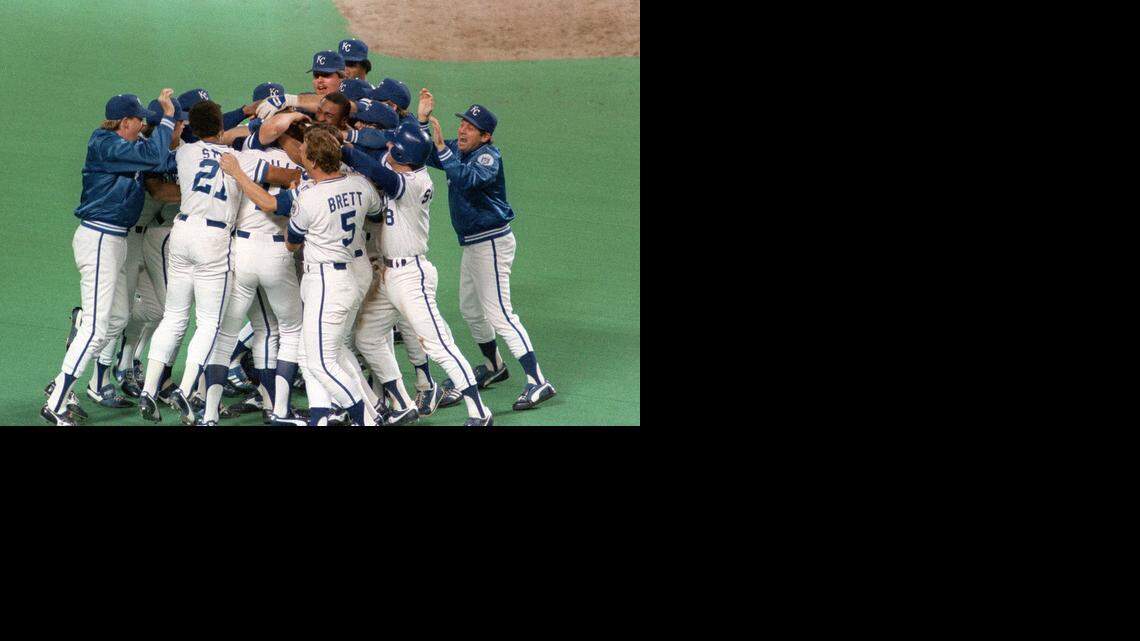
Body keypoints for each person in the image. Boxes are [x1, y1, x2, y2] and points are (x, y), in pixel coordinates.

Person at [137, 100, 295, 425]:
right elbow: (286, 174)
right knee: (209, 322)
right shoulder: (239, 158)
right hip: (214, 241)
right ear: (221, 129)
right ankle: (184, 387)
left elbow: (159, 159)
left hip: (181, 231)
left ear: (192, 127)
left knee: (174, 317)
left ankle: (149, 390)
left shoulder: (184, 151)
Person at [344, 121, 493, 426]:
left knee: (439, 344)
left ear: (403, 153)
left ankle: (480, 411)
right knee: (368, 337)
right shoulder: (405, 168)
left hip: (412, 276)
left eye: (393, 145)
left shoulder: (413, 182)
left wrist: (344, 149)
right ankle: (401, 402)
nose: (388, 147)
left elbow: (379, 173)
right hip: (387, 275)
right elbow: (378, 154)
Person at [42, 89, 177, 425]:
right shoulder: (104, 143)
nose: (142, 125)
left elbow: (157, 156)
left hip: (113, 240)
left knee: (115, 318)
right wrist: (167, 118)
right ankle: (57, 402)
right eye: (139, 120)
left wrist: (164, 119)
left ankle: (62, 384)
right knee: (97, 329)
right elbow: (152, 156)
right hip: (99, 237)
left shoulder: (124, 145)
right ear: (125, 121)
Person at [231, 127, 382, 426]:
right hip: (353, 274)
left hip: (327, 283)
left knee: (321, 363)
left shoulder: (309, 198)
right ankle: (322, 416)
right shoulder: (361, 185)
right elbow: (376, 213)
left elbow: (292, 242)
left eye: (303, 151)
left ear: (311, 160)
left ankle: (366, 418)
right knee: (316, 351)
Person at [419, 90, 557, 411]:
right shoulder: (458, 150)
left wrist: (442, 149)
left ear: (486, 136)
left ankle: (538, 380)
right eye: (462, 124)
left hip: (492, 243)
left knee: (500, 313)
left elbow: (468, 180)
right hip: (474, 244)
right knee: (470, 309)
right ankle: (495, 366)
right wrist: (423, 120)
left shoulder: (487, 157)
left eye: (471, 127)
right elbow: (423, 154)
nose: (462, 130)